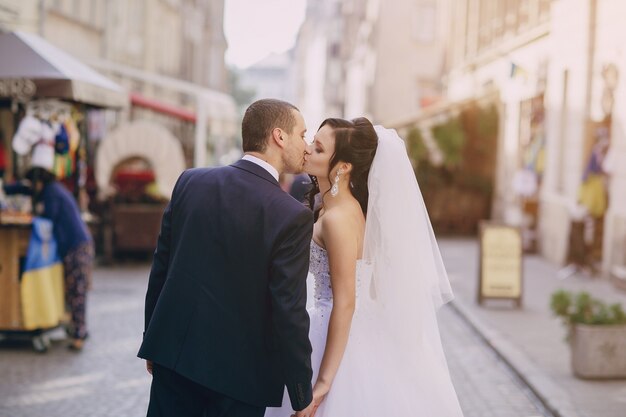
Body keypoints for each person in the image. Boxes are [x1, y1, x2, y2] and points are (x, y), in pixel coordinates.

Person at [265, 118, 464, 417]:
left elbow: (345, 303)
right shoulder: (335, 208)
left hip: (337, 336)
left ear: (343, 167)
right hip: (335, 324)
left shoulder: (338, 219)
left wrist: (323, 381)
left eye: (317, 148)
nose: (307, 150)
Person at [138, 99, 317, 417]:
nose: (307, 145)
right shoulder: (291, 215)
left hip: (174, 358)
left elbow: (161, 267)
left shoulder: (190, 181)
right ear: (279, 136)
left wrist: (154, 338)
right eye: (302, 134)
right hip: (240, 380)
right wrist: (301, 392)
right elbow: (288, 309)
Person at [26, 166, 94, 351]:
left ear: (38, 182)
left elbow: (49, 217)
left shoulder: (51, 193)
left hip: (76, 246)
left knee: (77, 290)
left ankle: (80, 334)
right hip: (80, 244)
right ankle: (77, 330)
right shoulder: (56, 189)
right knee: (75, 290)